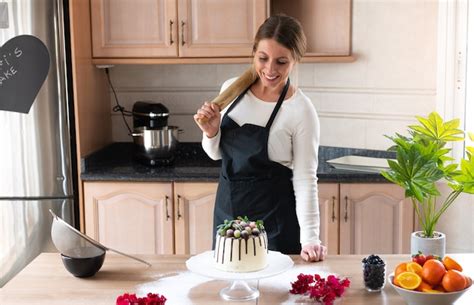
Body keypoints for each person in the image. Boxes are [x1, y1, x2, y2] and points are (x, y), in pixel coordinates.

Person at [194, 15, 327, 262]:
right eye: (263, 58)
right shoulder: (231, 89)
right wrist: (211, 132)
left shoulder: (300, 110)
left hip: (274, 222)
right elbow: (216, 154)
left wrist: (310, 239)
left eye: (281, 61)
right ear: (253, 52)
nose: (270, 69)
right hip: (227, 217)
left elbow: (305, 178)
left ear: (295, 61)